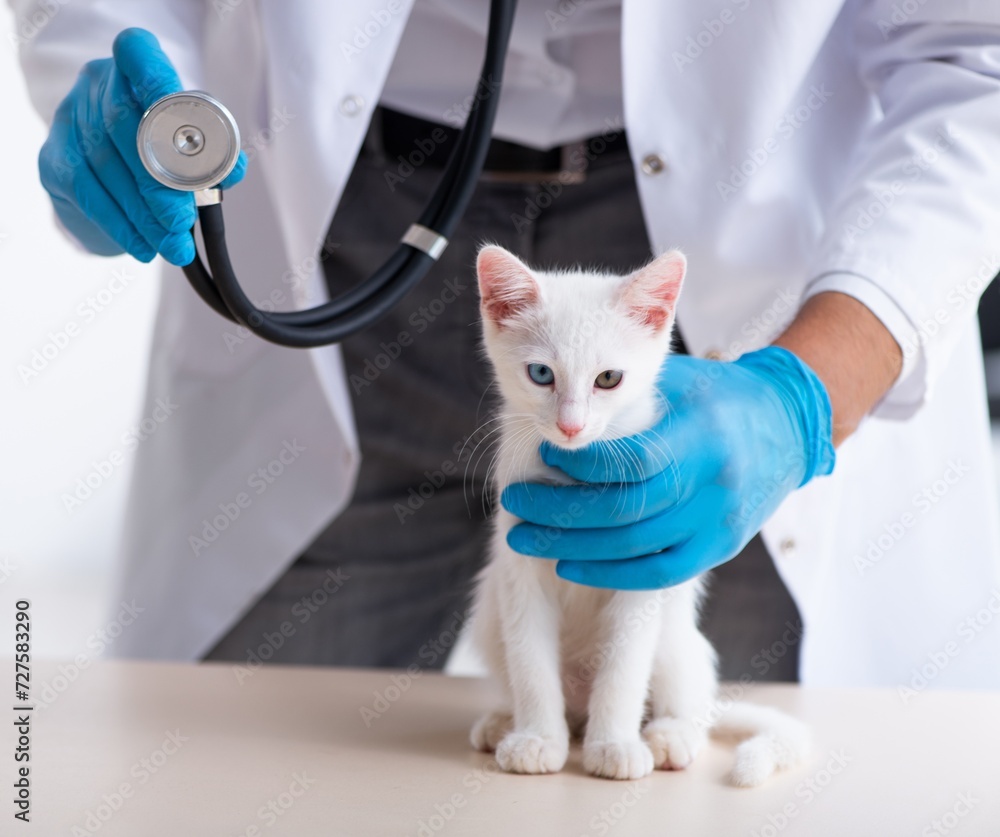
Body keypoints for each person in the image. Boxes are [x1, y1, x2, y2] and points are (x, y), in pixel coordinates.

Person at [13, 0, 1000, 689]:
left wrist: (804, 395)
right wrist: (107, 89)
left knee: (711, 743)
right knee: (248, 755)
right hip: (342, 223)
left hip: (735, 262)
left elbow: (978, 57)